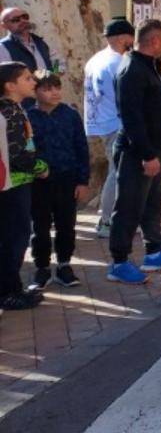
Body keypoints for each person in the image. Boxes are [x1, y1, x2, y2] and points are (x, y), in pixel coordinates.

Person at [108, 19, 161, 285]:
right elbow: (132, 117)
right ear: (154, 41)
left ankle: (153, 252)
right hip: (137, 151)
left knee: (152, 204)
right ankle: (119, 262)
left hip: (155, 146)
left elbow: (154, 109)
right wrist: (146, 154)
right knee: (129, 206)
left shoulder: (150, 66)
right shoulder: (132, 70)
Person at [27, 73, 89, 290]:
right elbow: (26, 150)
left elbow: (81, 148)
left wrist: (82, 181)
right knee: (40, 227)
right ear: (35, 91)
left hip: (67, 179)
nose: (54, 92)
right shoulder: (28, 117)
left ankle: (64, 265)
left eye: (57, 87)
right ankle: (42, 267)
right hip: (39, 182)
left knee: (66, 225)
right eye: (47, 88)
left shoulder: (70, 115)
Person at [0, 62, 48, 310]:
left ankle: (13, 287)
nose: (33, 82)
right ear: (10, 86)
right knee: (14, 238)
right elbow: (17, 154)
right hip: (13, 185)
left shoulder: (15, 109)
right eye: (27, 78)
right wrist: (40, 167)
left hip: (14, 182)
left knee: (14, 237)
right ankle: (8, 292)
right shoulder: (11, 113)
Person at [85, 17, 136, 237]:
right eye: (131, 37)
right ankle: (106, 221)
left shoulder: (95, 59)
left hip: (101, 122)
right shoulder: (118, 62)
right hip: (116, 123)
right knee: (118, 174)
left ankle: (112, 219)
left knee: (117, 173)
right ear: (125, 38)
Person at [0, 7, 60, 74]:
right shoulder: (2, 47)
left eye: (25, 17)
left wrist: (54, 74)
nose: (23, 20)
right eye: (15, 19)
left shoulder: (41, 41)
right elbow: (5, 76)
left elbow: (56, 60)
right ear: (4, 26)